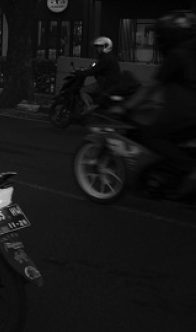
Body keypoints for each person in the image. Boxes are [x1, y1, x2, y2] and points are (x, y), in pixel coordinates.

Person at [119, 11, 196, 200]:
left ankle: (189, 169)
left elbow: (151, 88)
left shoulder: (178, 55)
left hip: (187, 112)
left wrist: (126, 107)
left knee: (151, 135)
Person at [76, 36, 121, 114]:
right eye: (97, 47)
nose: (97, 49)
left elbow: (94, 70)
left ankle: (88, 107)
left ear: (106, 47)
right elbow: (96, 68)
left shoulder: (105, 58)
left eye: (100, 47)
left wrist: (80, 73)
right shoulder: (110, 57)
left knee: (83, 90)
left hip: (105, 83)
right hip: (110, 83)